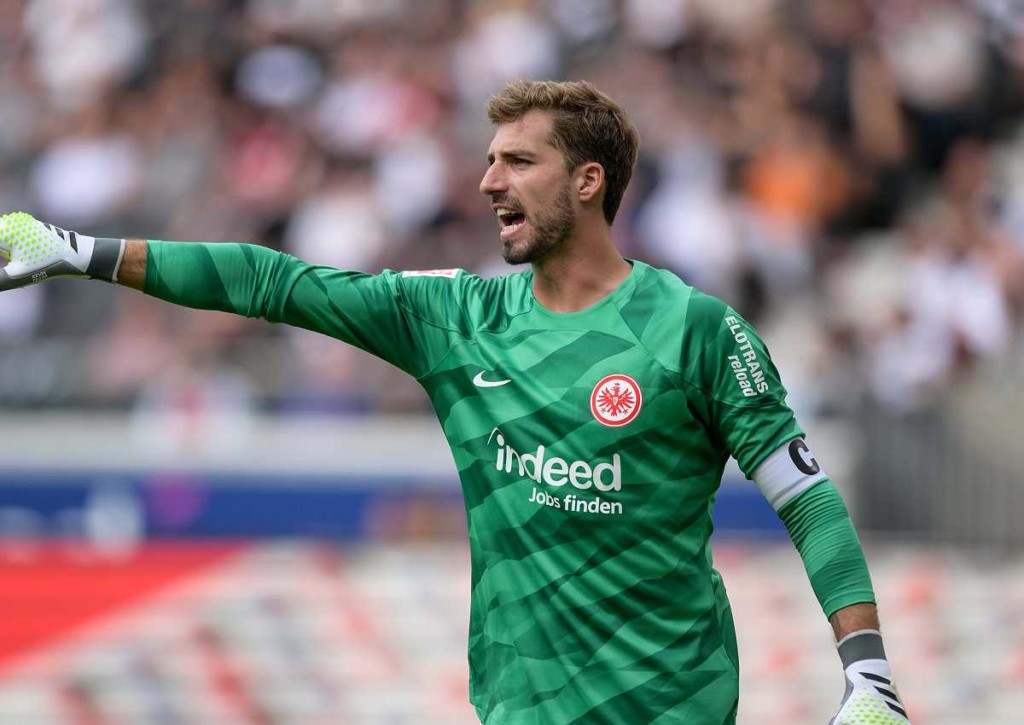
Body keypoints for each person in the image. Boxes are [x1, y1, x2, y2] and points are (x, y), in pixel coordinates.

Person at [0, 80, 910, 725]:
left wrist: (866, 672)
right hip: (513, 708)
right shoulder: (456, 319)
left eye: (519, 160)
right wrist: (78, 250)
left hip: (671, 706)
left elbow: (807, 497)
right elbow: (271, 281)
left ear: (588, 181)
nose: (488, 181)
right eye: (489, 160)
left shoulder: (695, 330)